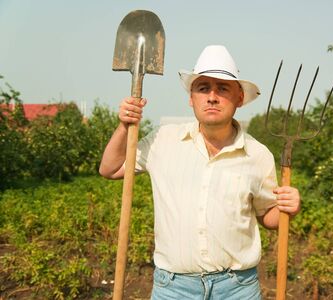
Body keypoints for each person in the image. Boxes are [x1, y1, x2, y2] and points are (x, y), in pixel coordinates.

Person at [99, 45, 300, 300]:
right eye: (203, 88)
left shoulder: (258, 155)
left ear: (239, 98)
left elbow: (268, 217)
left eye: (223, 88)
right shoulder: (162, 140)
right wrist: (124, 126)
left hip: (237, 289)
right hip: (173, 288)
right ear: (191, 98)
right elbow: (111, 168)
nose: (212, 96)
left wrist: (288, 207)